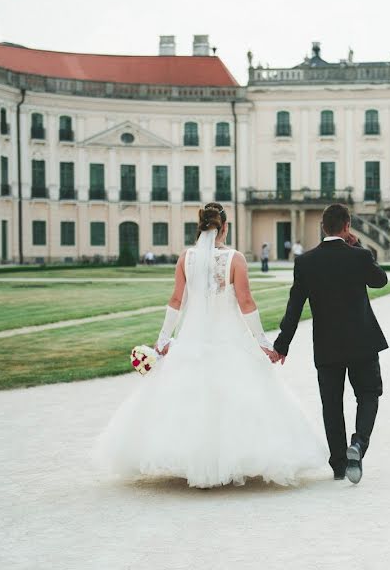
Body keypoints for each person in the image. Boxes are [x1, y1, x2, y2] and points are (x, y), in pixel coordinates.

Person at [95, 203, 326, 488]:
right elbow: (245, 302)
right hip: (229, 337)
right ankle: (234, 458)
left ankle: (192, 459)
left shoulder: (185, 258)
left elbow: (176, 300)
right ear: (225, 227)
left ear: (201, 227)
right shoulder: (236, 259)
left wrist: (163, 338)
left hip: (193, 339)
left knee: (184, 398)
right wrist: (262, 341)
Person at [270, 203, 388, 484]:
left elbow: (294, 307)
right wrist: (360, 248)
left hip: (326, 344)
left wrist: (281, 345)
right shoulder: (359, 256)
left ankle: (338, 465)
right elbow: (380, 280)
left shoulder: (306, 262)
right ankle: (358, 445)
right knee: (369, 394)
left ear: (323, 227)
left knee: (331, 405)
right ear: (347, 227)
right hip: (362, 341)